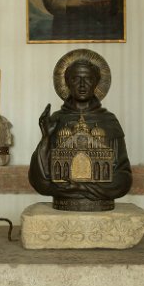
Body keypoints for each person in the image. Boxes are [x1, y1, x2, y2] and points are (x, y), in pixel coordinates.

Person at [29, 49, 132, 212]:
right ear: (67, 82)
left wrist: (82, 187)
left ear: (97, 83)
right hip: (64, 201)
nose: (82, 85)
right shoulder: (57, 120)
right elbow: (40, 181)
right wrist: (46, 138)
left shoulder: (109, 121)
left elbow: (124, 175)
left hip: (100, 204)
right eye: (76, 79)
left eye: (88, 79)